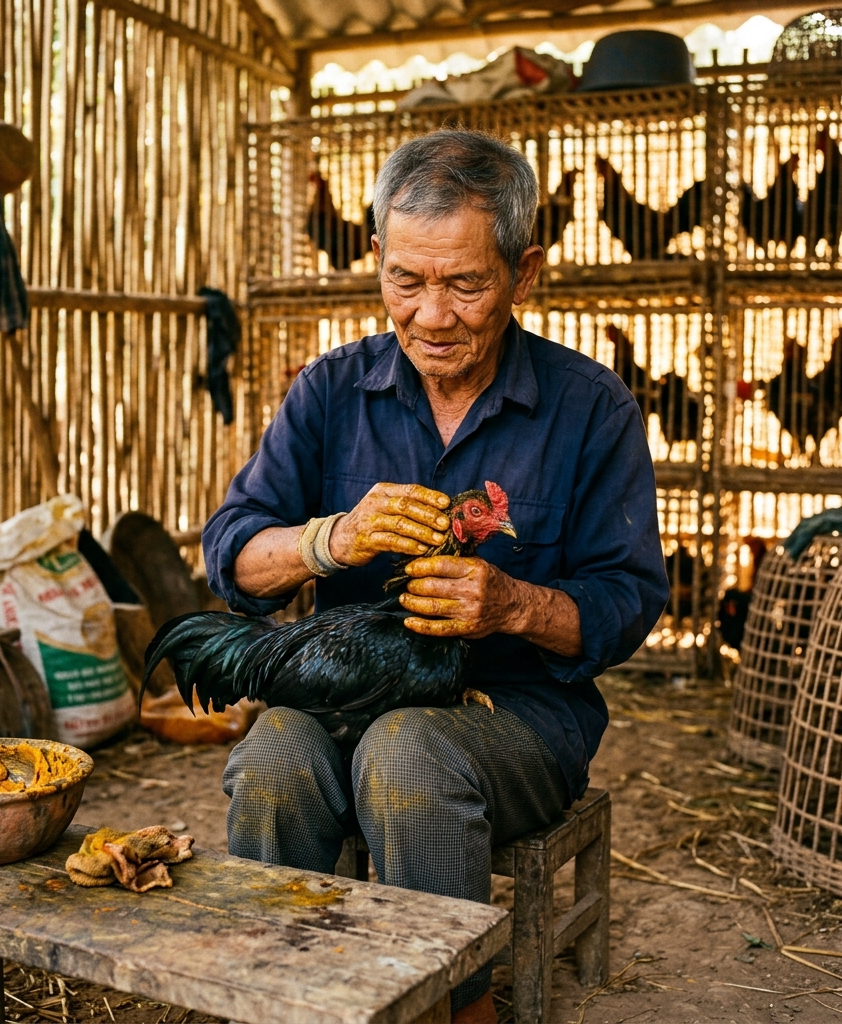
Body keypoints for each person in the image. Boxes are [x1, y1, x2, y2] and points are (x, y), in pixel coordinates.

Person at [202, 129, 668, 1023]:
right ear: (376, 256)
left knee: (407, 753)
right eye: (405, 282)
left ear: (525, 272)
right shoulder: (331, 392)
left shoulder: (589, 408)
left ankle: (453, 1007)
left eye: (465, 284)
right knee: (271, 760)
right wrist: (328, 541)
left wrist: (516, 606)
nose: (430, 315)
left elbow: (629, 605)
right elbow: (231, 552)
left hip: (520, 719)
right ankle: (283, 994)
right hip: (342, 696)